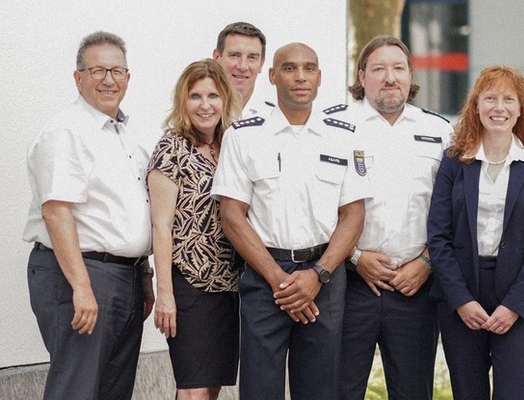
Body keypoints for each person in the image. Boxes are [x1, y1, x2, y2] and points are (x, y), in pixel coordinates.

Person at [212, 42, 370, 400]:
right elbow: (232, 214)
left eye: (309, 68)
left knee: (320, 389)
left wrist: (318, 275)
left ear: (319, 77)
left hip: (325, 278)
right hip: (265, 277)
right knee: (259, 389)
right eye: (289, 68)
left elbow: (353, 214)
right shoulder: (244, 135)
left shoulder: (344, 136)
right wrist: (278, 280)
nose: (300, 77)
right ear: (272, 76)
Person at [23, 31, 153, 400]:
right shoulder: (66, 132)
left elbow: (128, 215)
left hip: (122, 278)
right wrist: (82, 287)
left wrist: (143, 275)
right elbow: (56, 211)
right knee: (76, 390)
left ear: (128, 77)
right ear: (78, 77)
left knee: (112, 390)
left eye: (117, 70)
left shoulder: (125, 136)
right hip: (81, 275)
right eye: (97, 70)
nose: (108, 80)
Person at [427, 65, 524, 399]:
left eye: (508, 100)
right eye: (489, 98)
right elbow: (438, 237)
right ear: (476, 106)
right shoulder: (454, 163)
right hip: (462, 294)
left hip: (518, 296)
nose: (498, 107)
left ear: (519, 110)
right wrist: (461, 300)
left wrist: (515, 305)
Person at [334, 35, 453, 400]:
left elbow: (452, 209)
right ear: (362, 75)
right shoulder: (335, 127)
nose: (390, 77)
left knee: (414, 392)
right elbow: (317, 206)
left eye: (398, 68)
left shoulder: (439, 131)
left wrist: (427, 263)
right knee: (338, 390)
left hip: (414, 286)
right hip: (350, 283)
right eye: (379, 69)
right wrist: (355, 257)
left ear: (410, 75)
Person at [147, 59, 241, 400]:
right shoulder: (171, 148)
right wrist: (165, 295)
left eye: (213, 95)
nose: (205, 105)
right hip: (190, 287)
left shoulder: (232, 146)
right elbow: (161, 226)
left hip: (229, 287)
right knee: (193, 390)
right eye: (195, 96)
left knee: (210, 389)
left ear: (225, 99)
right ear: (183, 102)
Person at [212, 21, 269, 117]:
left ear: (261, 64)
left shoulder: (274, 118)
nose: (243, 67)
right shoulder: (199, 116)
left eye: (252, 57)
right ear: (217, 57)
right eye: (234, 55)